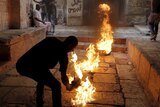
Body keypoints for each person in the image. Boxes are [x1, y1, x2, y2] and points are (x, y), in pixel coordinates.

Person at [16, 36, 80, 107]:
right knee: (56, 85)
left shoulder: (52, 40)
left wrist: (69, 85)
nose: (72, 50)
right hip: (26, 66)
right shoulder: (62, 55)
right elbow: (63, 76)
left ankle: (39, 101)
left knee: (42, 77)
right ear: (70, 45)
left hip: (24, 63)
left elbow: (63, 76)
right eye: (73, 48)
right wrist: (69, 86)